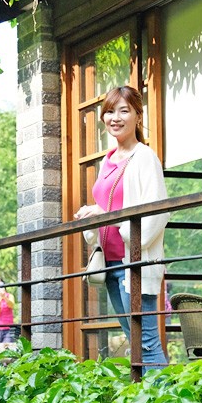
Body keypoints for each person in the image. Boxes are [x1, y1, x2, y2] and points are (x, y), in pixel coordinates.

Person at [74, 86, 170, 368]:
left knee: (147, 343)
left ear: (138, 117)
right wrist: (92, 215)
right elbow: (106, 206)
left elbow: (156, 212)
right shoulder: (107, 161)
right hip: (111, 263)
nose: (115, 118)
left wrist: (106, 214)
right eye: (110, 111)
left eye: (124, 111)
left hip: (135, 263)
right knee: (134, 339)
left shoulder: (144, 158)